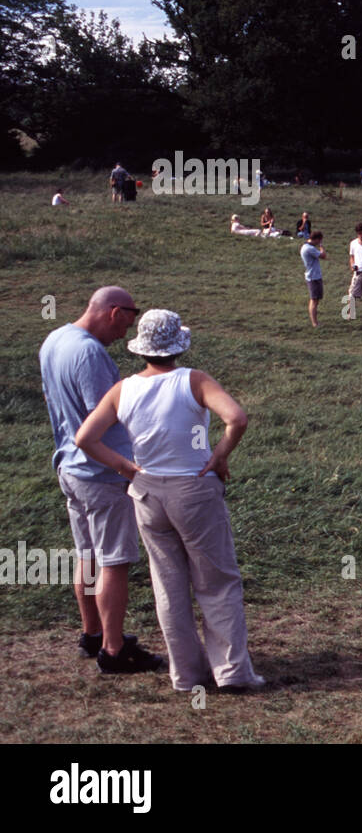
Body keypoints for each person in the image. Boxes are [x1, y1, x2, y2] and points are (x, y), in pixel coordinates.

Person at [74, 309, 264, 694]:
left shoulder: (123, 389)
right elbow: (237, 418)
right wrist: (220, 455)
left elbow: (84, 439)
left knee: (169, 586)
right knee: (217, 582)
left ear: (142, 349)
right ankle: (231, 672)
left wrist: (127, 469)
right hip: (194, 489)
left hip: (147, 492)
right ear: (178, 346)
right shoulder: (194, 380)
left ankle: (186, 675)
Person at [39, 287, 166, 674]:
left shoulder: (55, 339)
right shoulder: (90, 353)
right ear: (114, 311)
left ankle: (92, 633)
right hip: (102, 471)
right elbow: (104, 414)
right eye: (127, 321)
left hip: (71, 467)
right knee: (115, 561)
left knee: (87, 555)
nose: (125, 334)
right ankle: (113, 651)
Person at [301, 231, 326, 327]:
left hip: (313, 275)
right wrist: (321, 247)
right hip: (313, 277)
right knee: (314, 300)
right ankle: (315, 323)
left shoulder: (305, 246)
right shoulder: (310, 249)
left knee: (315, 300)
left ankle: (315, 322)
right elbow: (323, 255)